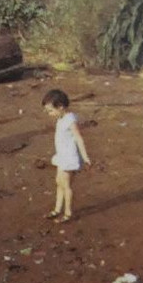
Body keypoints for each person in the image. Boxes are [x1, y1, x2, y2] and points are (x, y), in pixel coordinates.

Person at [42, 89, 91, 222]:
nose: (49, 114)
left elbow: (79, 138)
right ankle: (57, 209)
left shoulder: (70, 120)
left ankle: (68, 213)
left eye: (51, 111)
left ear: (61, 107)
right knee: (59, 182)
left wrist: (85, 157)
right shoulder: (61, 117)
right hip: (62, 156)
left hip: (69, 158)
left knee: (66, 185)